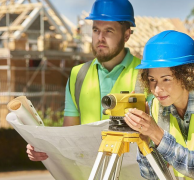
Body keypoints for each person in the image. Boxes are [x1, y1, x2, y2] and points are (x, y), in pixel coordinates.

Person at [27, 0, 142, 161]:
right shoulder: (78, 75)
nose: (100, 38)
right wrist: (43, 146)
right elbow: (70, 135)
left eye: (109, 31)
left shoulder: (146, 74)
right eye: (96, 30)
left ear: (127, 35)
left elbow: (158, 136)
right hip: (88, 172)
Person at [124, 30, 194, 180]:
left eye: (166, 79)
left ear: (187, 76)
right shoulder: (155, 107)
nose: (157, 89)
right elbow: (152, 176)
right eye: (152, 80)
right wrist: (144, 143)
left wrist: (155, 133)